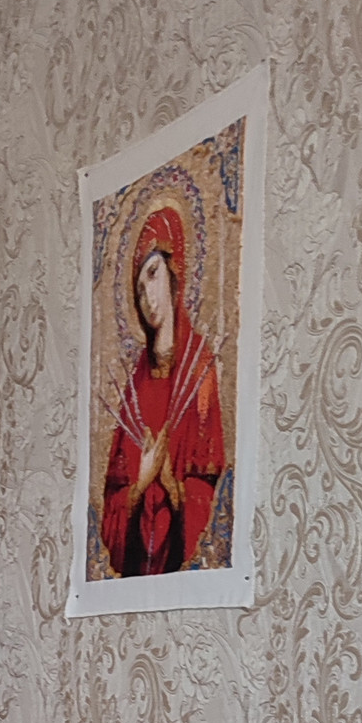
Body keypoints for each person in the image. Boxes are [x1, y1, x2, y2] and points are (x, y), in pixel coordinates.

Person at [100, 205, 227, 576]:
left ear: (176, 272)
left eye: (153, 275)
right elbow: (111, 505)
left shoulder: (200, 370)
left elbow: (215, 492)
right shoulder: (135, 388)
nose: (147, 298)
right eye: (139, 289)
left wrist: (172, 485)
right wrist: (140, 484)